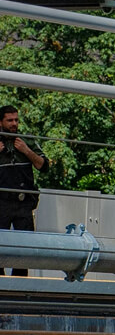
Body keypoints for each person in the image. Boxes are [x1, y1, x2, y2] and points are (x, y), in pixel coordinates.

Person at [0, 105, 46, 276]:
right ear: (1, 122)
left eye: (16, 120)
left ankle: (19, 290)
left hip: (23, 203)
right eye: (9, 120)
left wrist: (26, 151)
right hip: (1, 203)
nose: (14, 124)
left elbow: (43, 166)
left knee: (24, 250)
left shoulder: (26, 140)